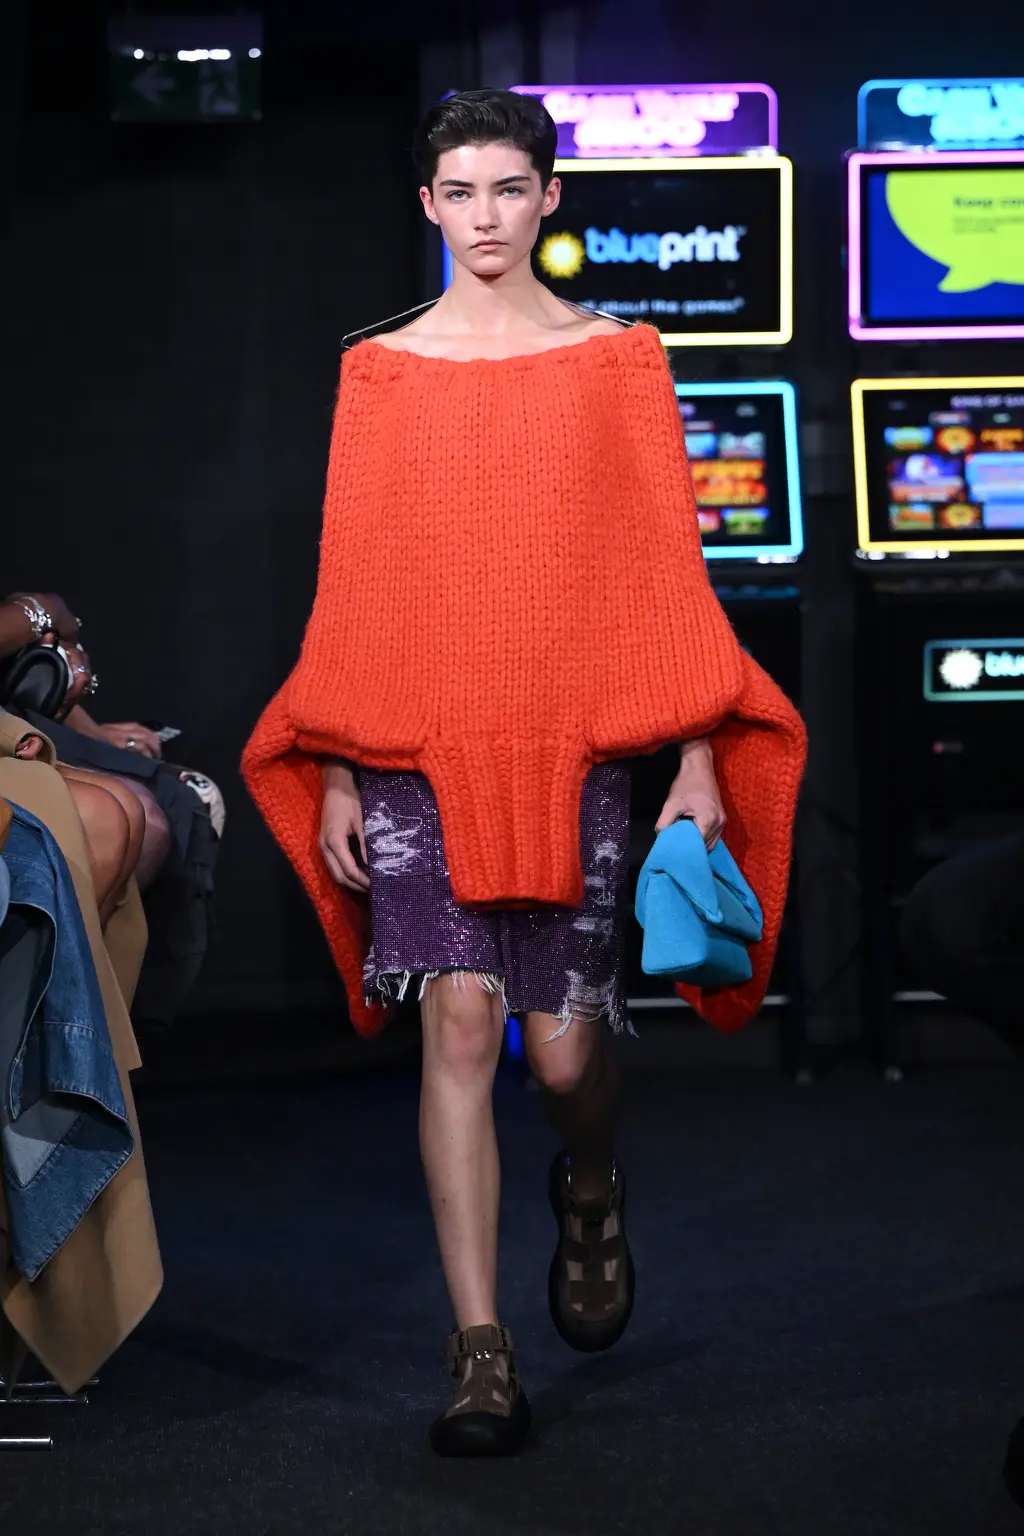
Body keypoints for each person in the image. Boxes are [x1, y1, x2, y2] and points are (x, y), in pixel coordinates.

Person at [243, 88, 805, 1456]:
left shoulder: (619, 361)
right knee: (455, 1025)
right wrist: (336, 765)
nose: (485, 216)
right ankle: (480, 1356)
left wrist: (694, 758)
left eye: (509, 188)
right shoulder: (380, 372)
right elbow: (356, 589)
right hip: (417, 747)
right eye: (460, 192)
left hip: (576, 742)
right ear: (426, 206)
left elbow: (663, 577)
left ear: (549, 197)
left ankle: (591, 1176)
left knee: (559, 1056)